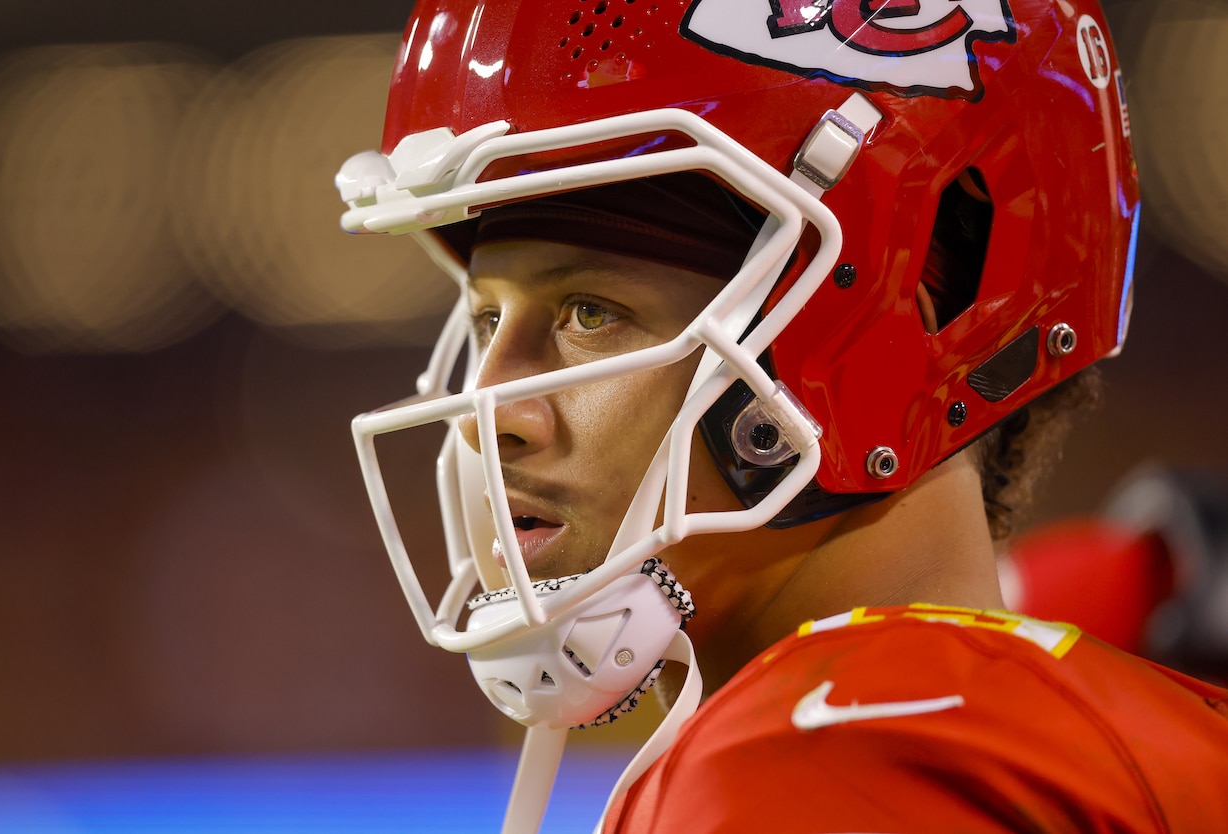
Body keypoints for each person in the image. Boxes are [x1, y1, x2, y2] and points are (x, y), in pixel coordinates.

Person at [335, 0, 1228, 831]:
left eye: (589, 313)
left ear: (917, 318)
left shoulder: (809, 764)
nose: (490, 416)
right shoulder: (1086, 720)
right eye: (489, 318)